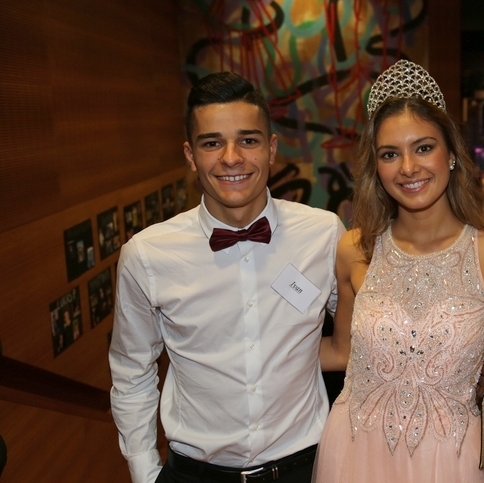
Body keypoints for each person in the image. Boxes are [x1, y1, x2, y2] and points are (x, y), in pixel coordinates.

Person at [109, 72, 345, 483]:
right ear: (190, 154)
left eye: (248, 140)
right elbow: (132, 371)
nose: (231, 158)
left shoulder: (324, 234)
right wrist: (145, 472)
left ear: (272, 149)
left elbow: (366, 337)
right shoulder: (146, 255)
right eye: (212, 143)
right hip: (194, 474)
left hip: (305, 468)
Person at [312, 59, 484, 482]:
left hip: (453, 461)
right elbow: (342, 352)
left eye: (424, 147)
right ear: (377, 168)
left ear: (451, 154)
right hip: (355, 454)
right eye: (390, 154)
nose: (408, 167)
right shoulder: (355, 249)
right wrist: (247, 356)